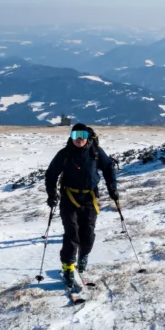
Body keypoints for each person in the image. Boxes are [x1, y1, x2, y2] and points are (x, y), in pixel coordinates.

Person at [44, 123, 119, 291]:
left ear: (88, 137)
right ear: (71, 137)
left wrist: (112, 187)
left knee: (88, 233)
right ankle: (68, 267)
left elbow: (108, 168)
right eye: (75, 135)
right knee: (72, 232)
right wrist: (51, 194)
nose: (79, 139)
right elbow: (51, 174)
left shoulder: (96, 152)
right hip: (68, 197)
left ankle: (83, 256)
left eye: (82, 135)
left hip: (89, 198)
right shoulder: (64, 154)